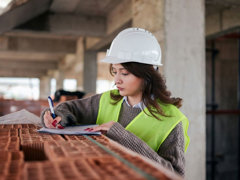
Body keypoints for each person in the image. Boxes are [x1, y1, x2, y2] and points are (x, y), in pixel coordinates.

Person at [41, 28, 190, 176]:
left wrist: (120, 135)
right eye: (115, 71)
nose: (116, 79)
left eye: (124, 73)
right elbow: (69, 108)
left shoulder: (171, 120)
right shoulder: (107, 100)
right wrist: (55, 116)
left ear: (148, 74)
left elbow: (174, 174)